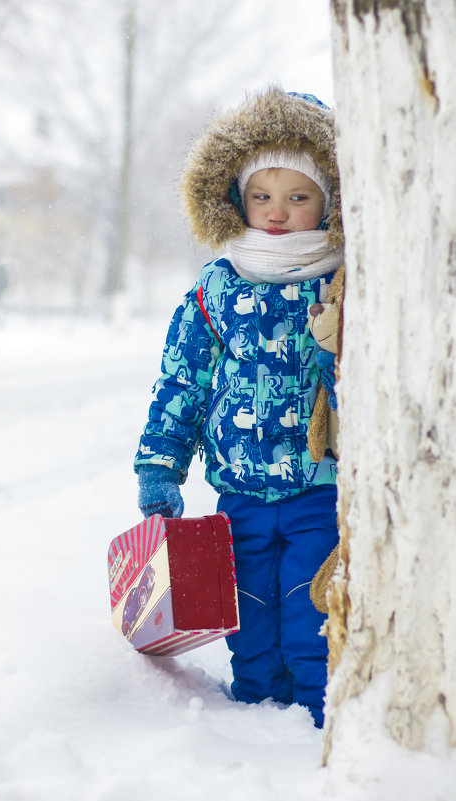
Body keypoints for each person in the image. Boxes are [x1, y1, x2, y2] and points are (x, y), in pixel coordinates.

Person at [134, 86, 344, 728]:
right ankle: (252, 720)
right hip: (241, 493)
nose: (277, 212)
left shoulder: (345, 278)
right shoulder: (217, 288)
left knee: (312, 612)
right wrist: (160, 466)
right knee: (251, 617)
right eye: (263, 195)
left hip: (320, 488)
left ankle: (319, 719)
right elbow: (183, 384)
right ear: (237, 199)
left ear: (329, 202)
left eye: (298, 197)